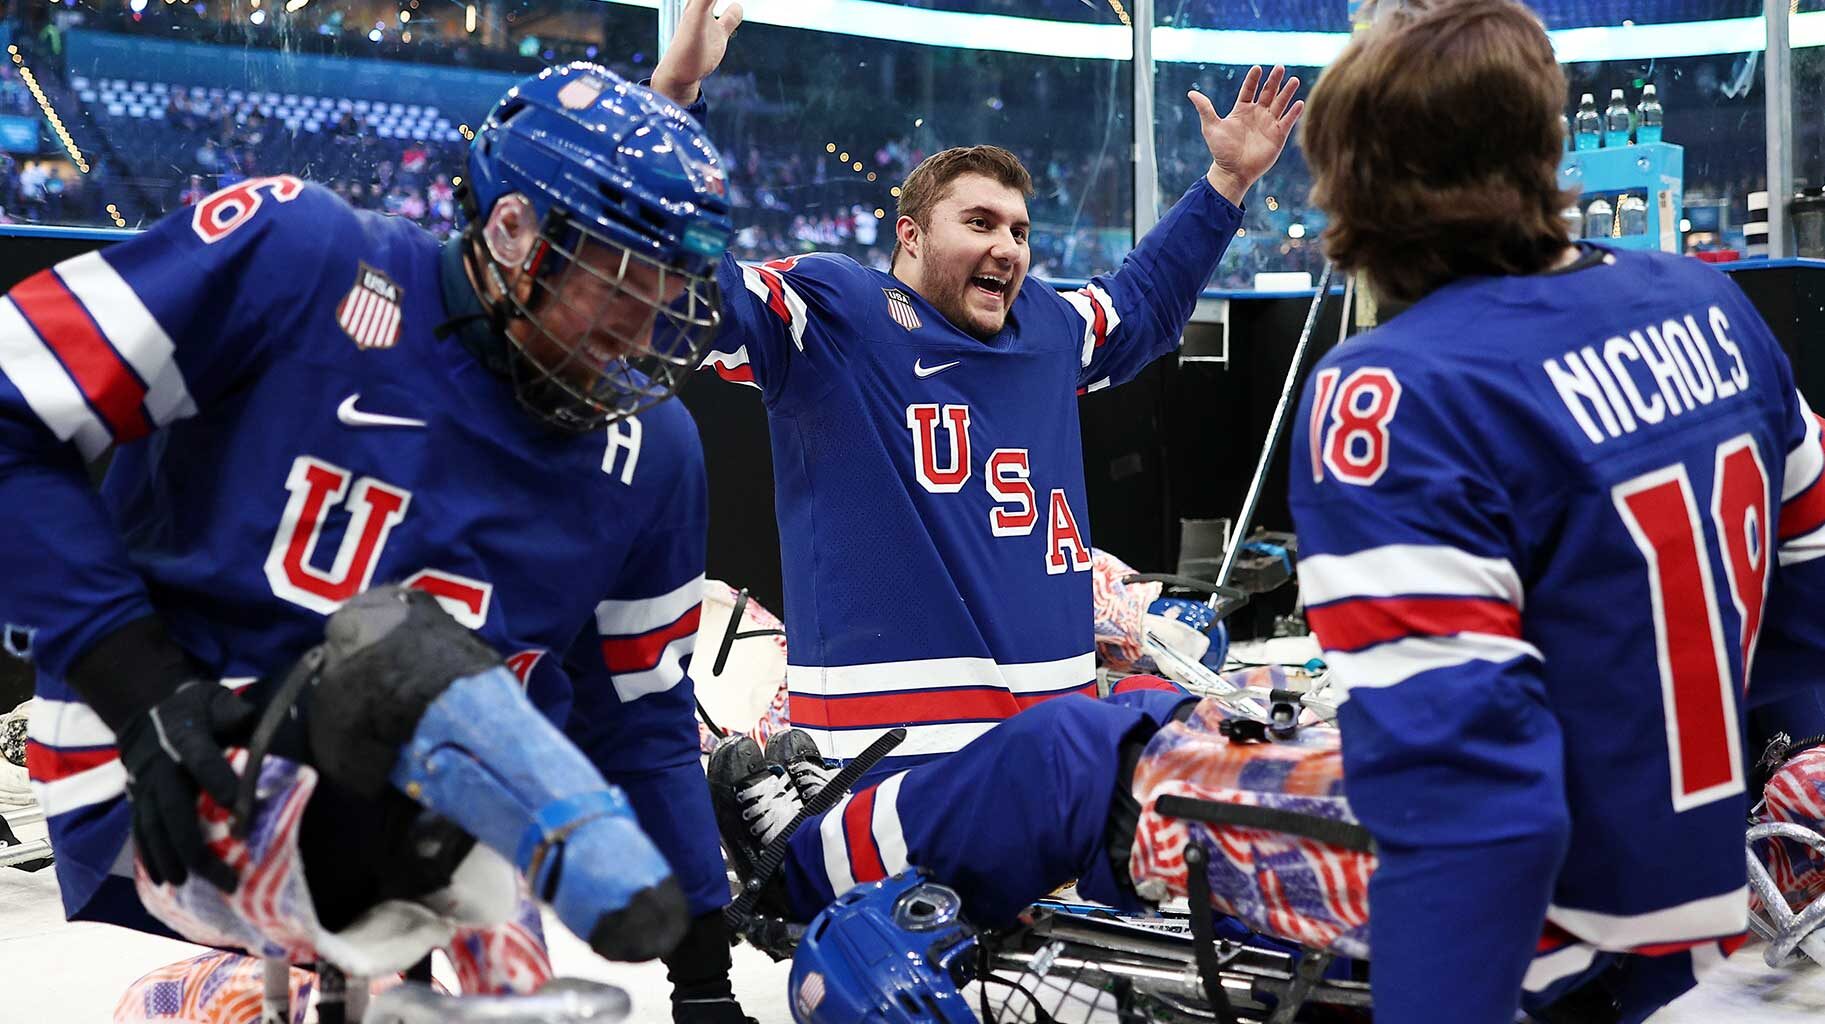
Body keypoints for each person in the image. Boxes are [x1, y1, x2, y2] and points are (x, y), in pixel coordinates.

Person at [3, 62, 758, 1022]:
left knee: (537, 984)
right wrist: (135, 681)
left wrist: (704, 979)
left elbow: (641, 719)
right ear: (513, 232)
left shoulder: (653, 451)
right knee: (406, 660)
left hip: (433, 810)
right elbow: (10, 408)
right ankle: (223, 988)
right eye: (622, 279)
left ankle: (306, 982)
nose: (646, 325)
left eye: (675, 287)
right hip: (173, 739)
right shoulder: (302, 258)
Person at [1287, 0, 1825, 1019]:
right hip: (1716, 940)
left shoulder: (1389, 390)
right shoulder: (1710, 304)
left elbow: (1472, 811)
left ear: (1356, 176)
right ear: (1544, 142)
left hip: (1555, 966)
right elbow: (1807, 602)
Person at [647, 0, 1303, 783]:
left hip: (1049, 745)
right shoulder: (834, 315)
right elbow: (687, 287)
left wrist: (1226, 182)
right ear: (911, 235)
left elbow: (1147, 298)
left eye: (1020, 231)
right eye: (981, 222)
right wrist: (673, 104)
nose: (1006, 247)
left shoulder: (1049, 329)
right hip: (885, 755)